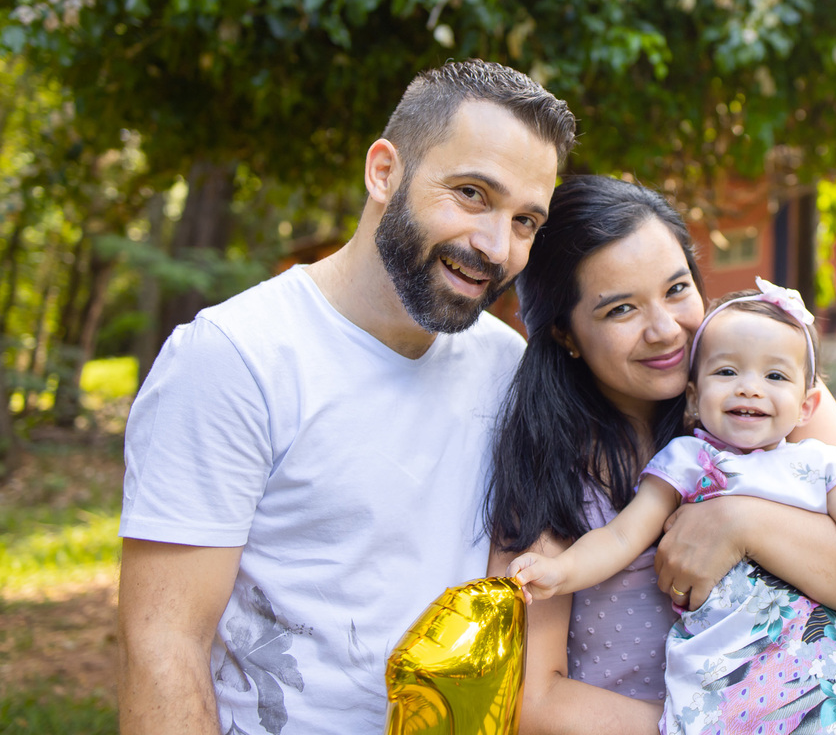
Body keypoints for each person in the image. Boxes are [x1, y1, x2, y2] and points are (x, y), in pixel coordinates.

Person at [116, 60, 576, 735]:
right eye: (472, 194)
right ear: (384, 172)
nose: (496, 246)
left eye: (526, 220)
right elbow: (165, 647)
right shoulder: (233, 357)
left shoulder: (509, 368)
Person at [485, 175, 836, 735]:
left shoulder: (778, 401)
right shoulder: (551, 458)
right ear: (565, 333)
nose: (665, 329)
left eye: (677, 289)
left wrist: (741, 523)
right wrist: (728, 727)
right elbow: (532, 699)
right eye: (621, 309)